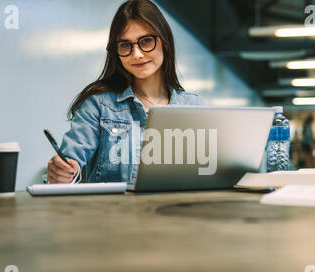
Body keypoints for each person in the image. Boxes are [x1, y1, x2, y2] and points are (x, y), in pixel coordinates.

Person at [46, 0, 203, 184]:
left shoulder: (193, 106)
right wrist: (62, 173)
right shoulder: (98, 106)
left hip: (176, 210)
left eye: (146, 41)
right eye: (125, 45)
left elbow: (207, 171)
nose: (136, 54)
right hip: (112, 212)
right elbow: (70, 165)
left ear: (165, 41)